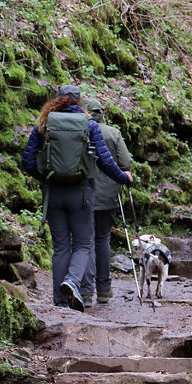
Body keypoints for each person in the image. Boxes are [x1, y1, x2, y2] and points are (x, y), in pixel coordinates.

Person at [20, 85, 133, 311]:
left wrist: (45, 178)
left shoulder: (44, 123)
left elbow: (27, 161)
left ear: (57, 100)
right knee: (82, 243)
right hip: (81, 192)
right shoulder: (88, 124)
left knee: (61, 247)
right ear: (78, 102)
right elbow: (104, 161)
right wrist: (123, 178)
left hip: (53, 194)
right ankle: (72, 280)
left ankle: (61, 303)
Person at [80, 94, 134, 305]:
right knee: (102, 240)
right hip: (108, 197)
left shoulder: (78, 131)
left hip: (83, 193)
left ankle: (85, 292)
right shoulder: (113, 133)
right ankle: (103, 289)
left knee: (84, 241)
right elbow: (126, 161)